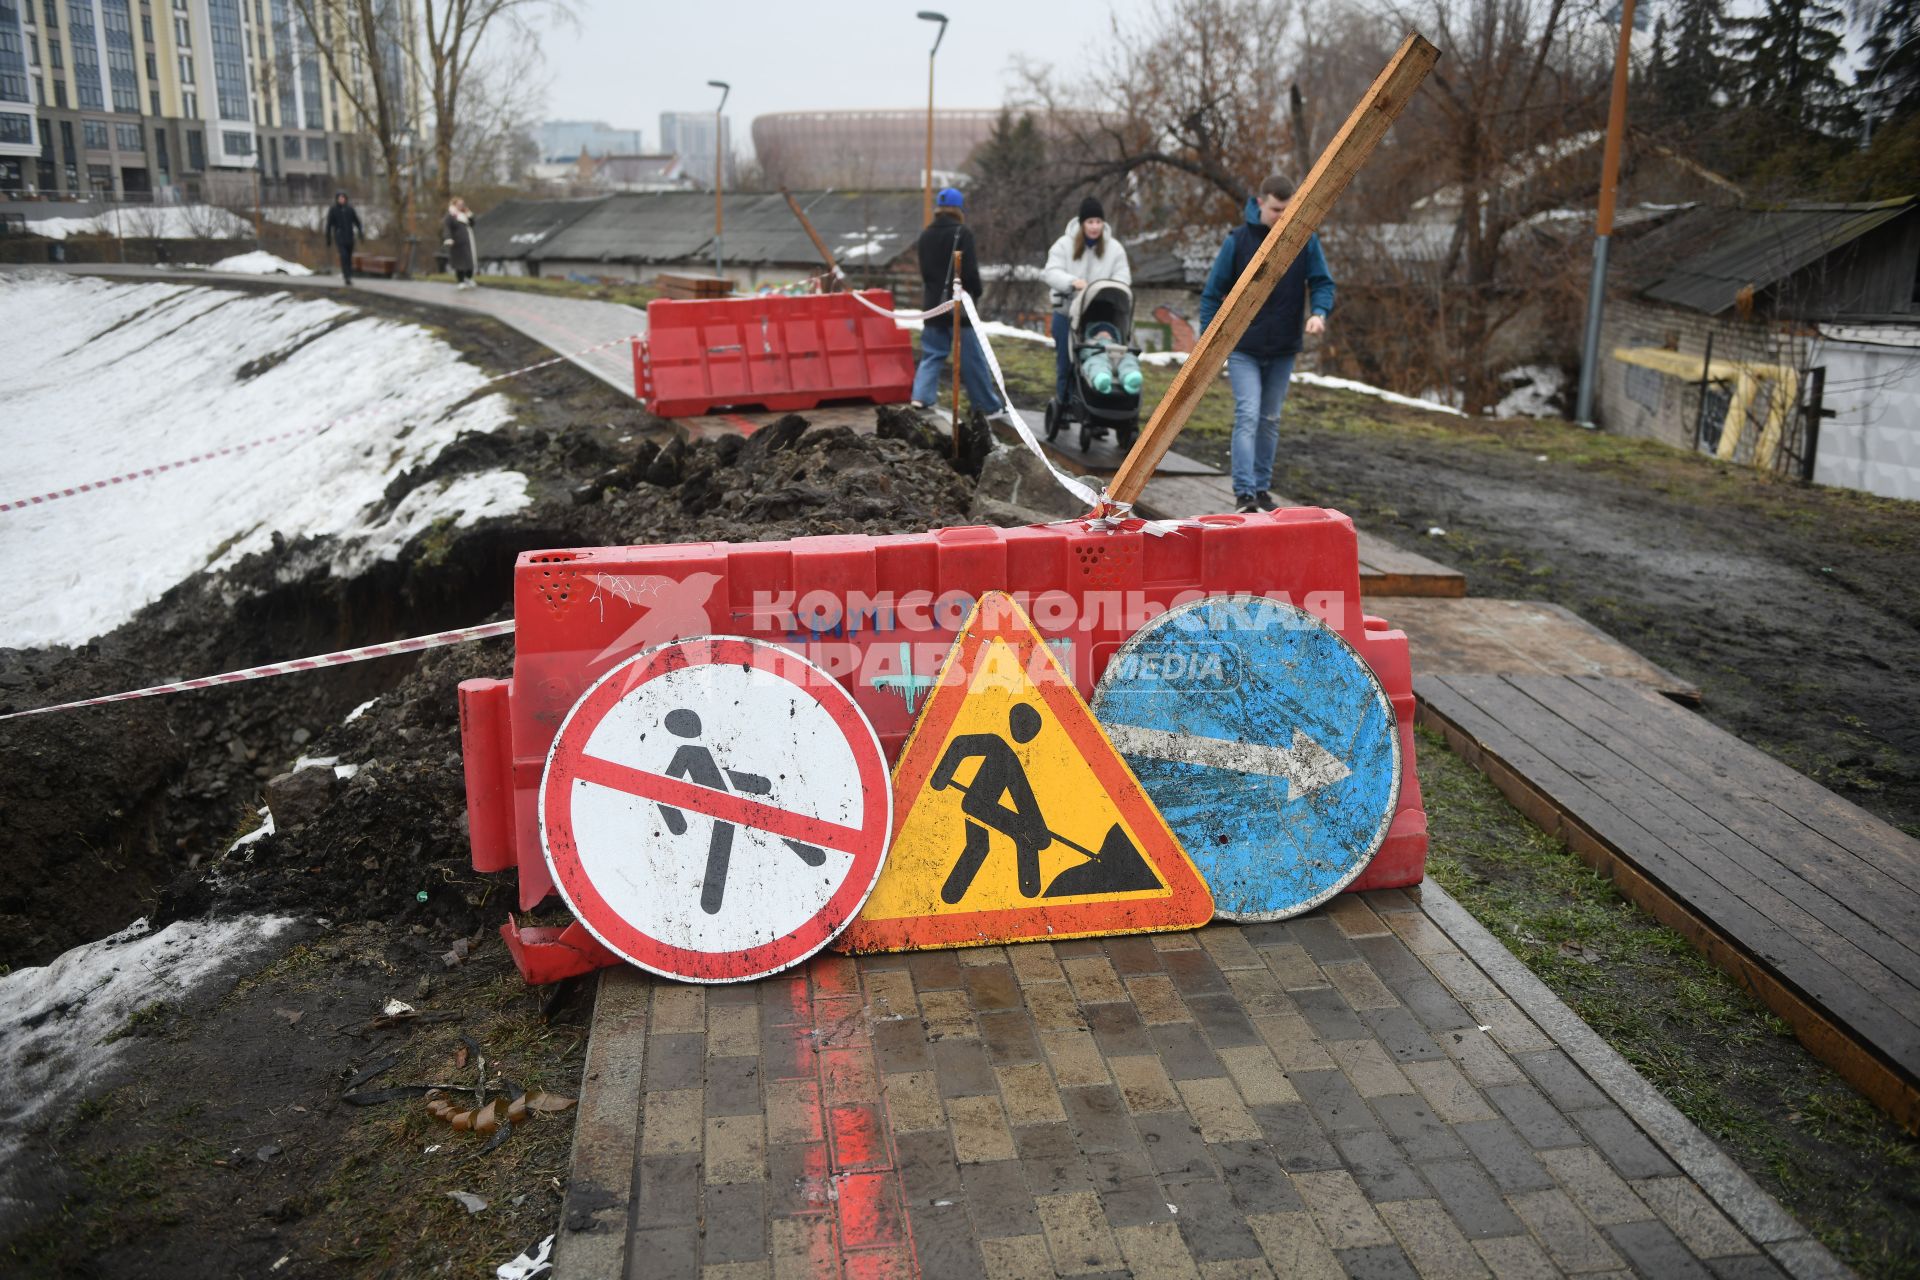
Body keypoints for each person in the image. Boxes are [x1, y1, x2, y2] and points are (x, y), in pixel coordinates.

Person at [1197, 175, 1335, 513]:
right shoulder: (1238, 241)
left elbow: (1322, 282)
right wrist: (1207, 343)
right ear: (1260, 204)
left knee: (1270, 418)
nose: (1281, 217)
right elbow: (1212, 295)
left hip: (1284, 347)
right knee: (1248, 414)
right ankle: (1244, 493)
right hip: (1244, 346)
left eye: (1288, 211)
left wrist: (1319, 312)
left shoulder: (1304, 240)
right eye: (1276, 210)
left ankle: (1260, 488)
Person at [910, 187, 1008, 422]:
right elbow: (970, 271)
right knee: (971, 357)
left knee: (932, 353)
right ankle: (986, 405)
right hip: (958, 307)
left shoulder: (924, 235)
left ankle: (921, 396)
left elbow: (925, 273)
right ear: (959, 209)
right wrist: (977, 293)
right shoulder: (962, 233)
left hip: (933, 305)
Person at [1042, 196, 1131, 405]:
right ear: (1082, 223)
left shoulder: (1114, 249)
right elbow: (1051, 272)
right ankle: (1064, 403)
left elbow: (1123, 278)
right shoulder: (1064, 245)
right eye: (1090, 222)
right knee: (1066, 363)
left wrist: (1104, 288)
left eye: (1098, 222)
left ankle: (1093, 403)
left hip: (1099, 314)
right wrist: (1072, 282)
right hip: (1067, 311)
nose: (1094, 227)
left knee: (1098, 358)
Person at [1077, 321, 1143, 397]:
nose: (1105, 336)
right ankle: (1101, 378)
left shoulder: (1117, 344)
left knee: (1128, 360)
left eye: (1108, 334)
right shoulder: (1091, 343)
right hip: (1099, 356)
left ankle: (1130, 376)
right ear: (1094, 336)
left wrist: (1127, 354)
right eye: (1101, 334)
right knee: (1095, 363)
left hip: (1119, 356)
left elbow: (1127, 353)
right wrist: (1088, 350)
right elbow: (1084, 354)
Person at [324, 190, 364, 286]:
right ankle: (346, 276)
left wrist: (360, 233)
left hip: (349, 236)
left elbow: (357, 222)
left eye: (343, 198)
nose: (341, 200)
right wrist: (328, 238)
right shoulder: (333, 210)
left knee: (349, 257)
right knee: (344, 256)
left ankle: (349, 274)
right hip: (340, 236)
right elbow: (329, 225)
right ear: (337, 199)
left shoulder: (350, 209)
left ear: (346, 199)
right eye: (340, 198)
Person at [443, 196, 477, 289]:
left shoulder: (464, 214)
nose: (461, 206)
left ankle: (468, 278)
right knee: (460, 263)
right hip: (457, 243)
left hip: (468, 242)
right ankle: (460, 281)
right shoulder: (450, 215)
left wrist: (469, 214)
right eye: (459, 204)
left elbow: (472, 223)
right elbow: (447, 228)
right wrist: (448, 238)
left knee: (470, 261)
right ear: (454, 205)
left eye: (462, 204)